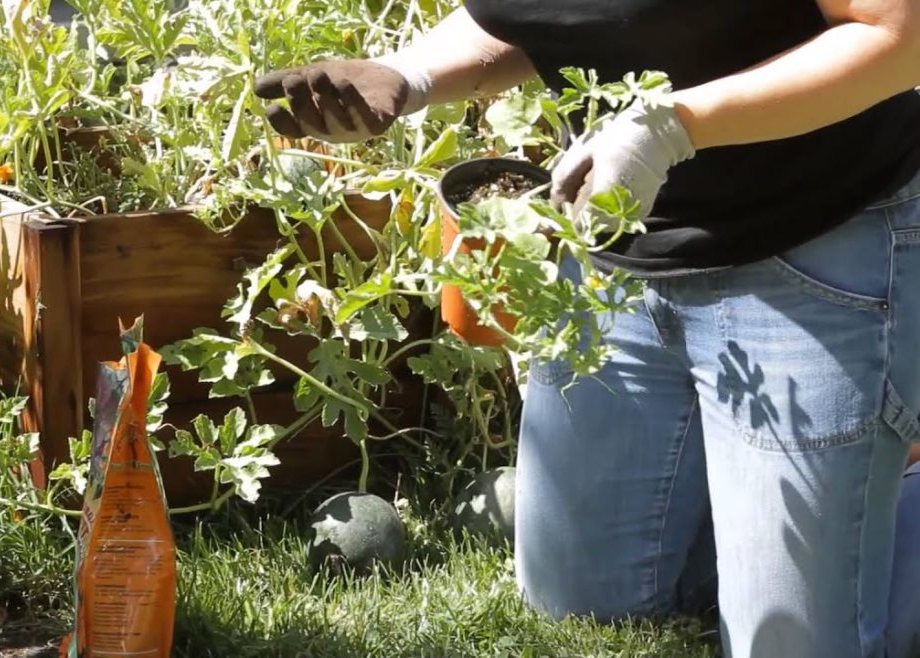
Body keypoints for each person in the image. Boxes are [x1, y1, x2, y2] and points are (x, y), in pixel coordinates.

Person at [252, 2, 920, 657]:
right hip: (617, 249)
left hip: (816, 238)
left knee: (794, 646)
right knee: (581, 596)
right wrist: (409, 75)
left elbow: (898, 35)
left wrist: (674, 125)